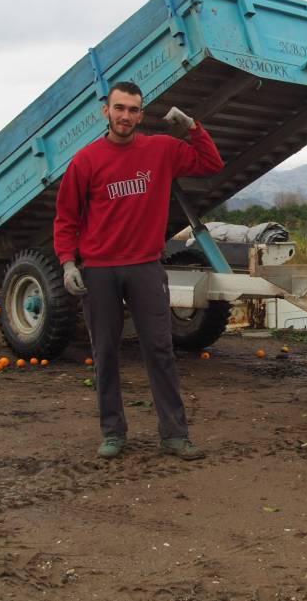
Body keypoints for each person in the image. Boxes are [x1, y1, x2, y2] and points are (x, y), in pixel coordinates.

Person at [54, 80, 224, 459]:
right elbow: (66, 218)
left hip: (146, 267)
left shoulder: (161, 150)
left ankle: (175, 434)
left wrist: (193, 128)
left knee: (160, 350)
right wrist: (68, 262)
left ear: (141, 115)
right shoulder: (86, 160)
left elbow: (211, 164)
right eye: (119, 108)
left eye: (133, 110)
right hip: (99, 270)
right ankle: (113, 432)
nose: (125, 116)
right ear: (106, 111)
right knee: (106, 354)